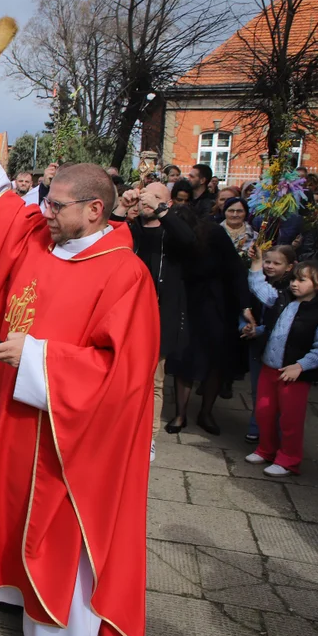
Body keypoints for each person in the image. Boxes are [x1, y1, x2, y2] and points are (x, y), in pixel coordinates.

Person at [0, 86, 159, 636]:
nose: (42, 210)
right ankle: (11, 595)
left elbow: (121, 373)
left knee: (55, 539)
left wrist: (37, 358)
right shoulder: (37, 237)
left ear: (94, 210)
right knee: (7, 511)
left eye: (55, 204)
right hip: (16, 419)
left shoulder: (124, 276)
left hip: (67, 437)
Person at [112, 183, 195, 462]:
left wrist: (161, 210)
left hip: (159, 317)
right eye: (147, 194)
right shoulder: (132, 228)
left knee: (154, 381)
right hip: (126, 314)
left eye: (157, 197)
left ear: (168, 204)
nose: (148, 200)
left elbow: (189, 241)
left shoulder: (171, 232)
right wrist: (122, 207)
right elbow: (106, 235)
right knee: (119, 377)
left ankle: (149, 437)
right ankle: (118, 432)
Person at [164, 203, 251, 436]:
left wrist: (245, 305)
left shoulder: (213, 234)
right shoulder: (169, 238)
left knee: (215, 360)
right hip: (184, 303)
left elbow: (235, 270)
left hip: (215, 304)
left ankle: (206, 412)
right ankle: (180, 414)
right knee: (184, 360)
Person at [245, 250, 318, 476]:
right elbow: (259, 288)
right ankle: (266, 449)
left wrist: (300, 366)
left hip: (295, 374)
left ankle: (289, 458)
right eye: (295, 279)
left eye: (302, 280)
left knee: (290, 419)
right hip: (270, 367)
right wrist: (257, 263)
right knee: (264, 411)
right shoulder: (283, 298)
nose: (295, 284)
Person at [243, 245, 297, 444]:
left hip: (285, 355)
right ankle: (260, 431)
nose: (270, 266)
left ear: (291, 266)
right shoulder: (268, 285)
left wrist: (259, 330)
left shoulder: (290, 290)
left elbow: (282, 323)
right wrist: (246, 325)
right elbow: (251, 300)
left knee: (283, 400)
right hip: (260, 347)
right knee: (260, 392)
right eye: (268, 261)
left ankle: (279, 439)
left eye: (277, 263)